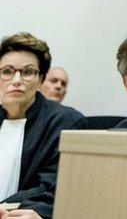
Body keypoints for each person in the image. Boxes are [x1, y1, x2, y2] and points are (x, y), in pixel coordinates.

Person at [0, 33, 84, 219]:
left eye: (28, 72)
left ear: (40, 79)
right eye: (7, 71)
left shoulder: (67, 122)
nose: (16, 80)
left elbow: (54, 189)